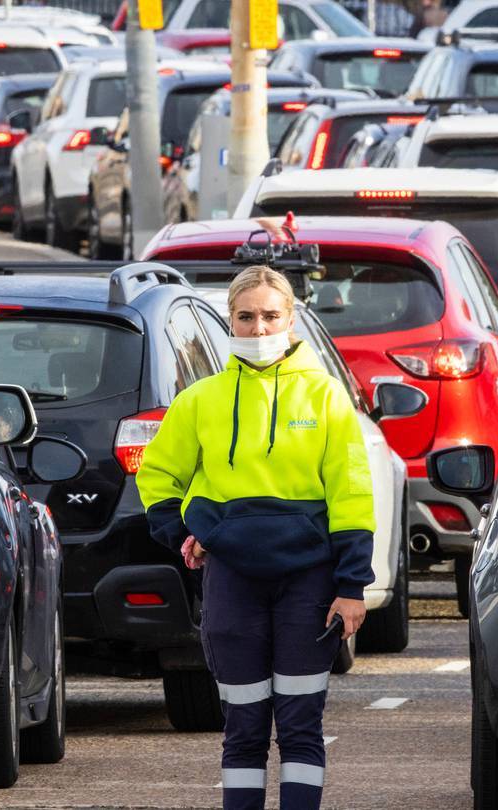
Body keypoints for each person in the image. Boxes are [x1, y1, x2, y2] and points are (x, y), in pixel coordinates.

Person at [136, 266, 375, 810]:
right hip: (233, 581)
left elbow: (353, 494)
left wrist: (353, 584)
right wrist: (183, 532)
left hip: (309, 582)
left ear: (292, 321)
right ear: (230, 321)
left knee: (299, 724)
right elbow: (156, 476)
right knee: (243, 726)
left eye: (271, 315)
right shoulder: (201, 400)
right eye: (246, 316)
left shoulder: (326, 397)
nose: (259, 326)